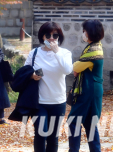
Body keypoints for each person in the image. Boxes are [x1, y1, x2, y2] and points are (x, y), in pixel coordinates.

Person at [26, 22, 73, 152]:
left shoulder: (65, 53)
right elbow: (24, 72)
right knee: (41, 134)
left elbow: (68, 70)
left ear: (59, 37)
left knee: (53, 137)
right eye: (48, 35)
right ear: (42, 37)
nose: (51, 38)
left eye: (55, 35)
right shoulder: (34, 53)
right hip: (38, 102)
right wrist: (32, 76)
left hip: (58, 101)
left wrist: (57, 52)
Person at [68, 19, 105, 152]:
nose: (83, 34)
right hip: (92, 89)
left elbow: (76, 67)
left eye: (84, 31)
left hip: (88, 90)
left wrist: (77, 69)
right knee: (90, 124)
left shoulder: (93, 50)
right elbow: (78, 68)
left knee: (73, 121)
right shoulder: (95, 46)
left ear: (91, 32)